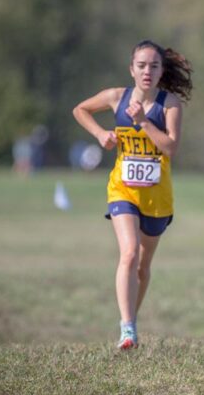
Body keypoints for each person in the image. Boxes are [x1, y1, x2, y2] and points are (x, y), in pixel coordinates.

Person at [73, 40, 193, 349]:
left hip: (157, 198)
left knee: (142, 264)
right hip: (122, 190)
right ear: (131, 69)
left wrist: (142, 122)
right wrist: (100, 134)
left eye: (154, 66)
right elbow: (80, 110)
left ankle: (132, 319)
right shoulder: (116, 97)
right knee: (128, 252)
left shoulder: (170, 105)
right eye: (141, 65)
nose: (147, 71)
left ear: (161, 70)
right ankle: (127, 328)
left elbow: (171, 147)